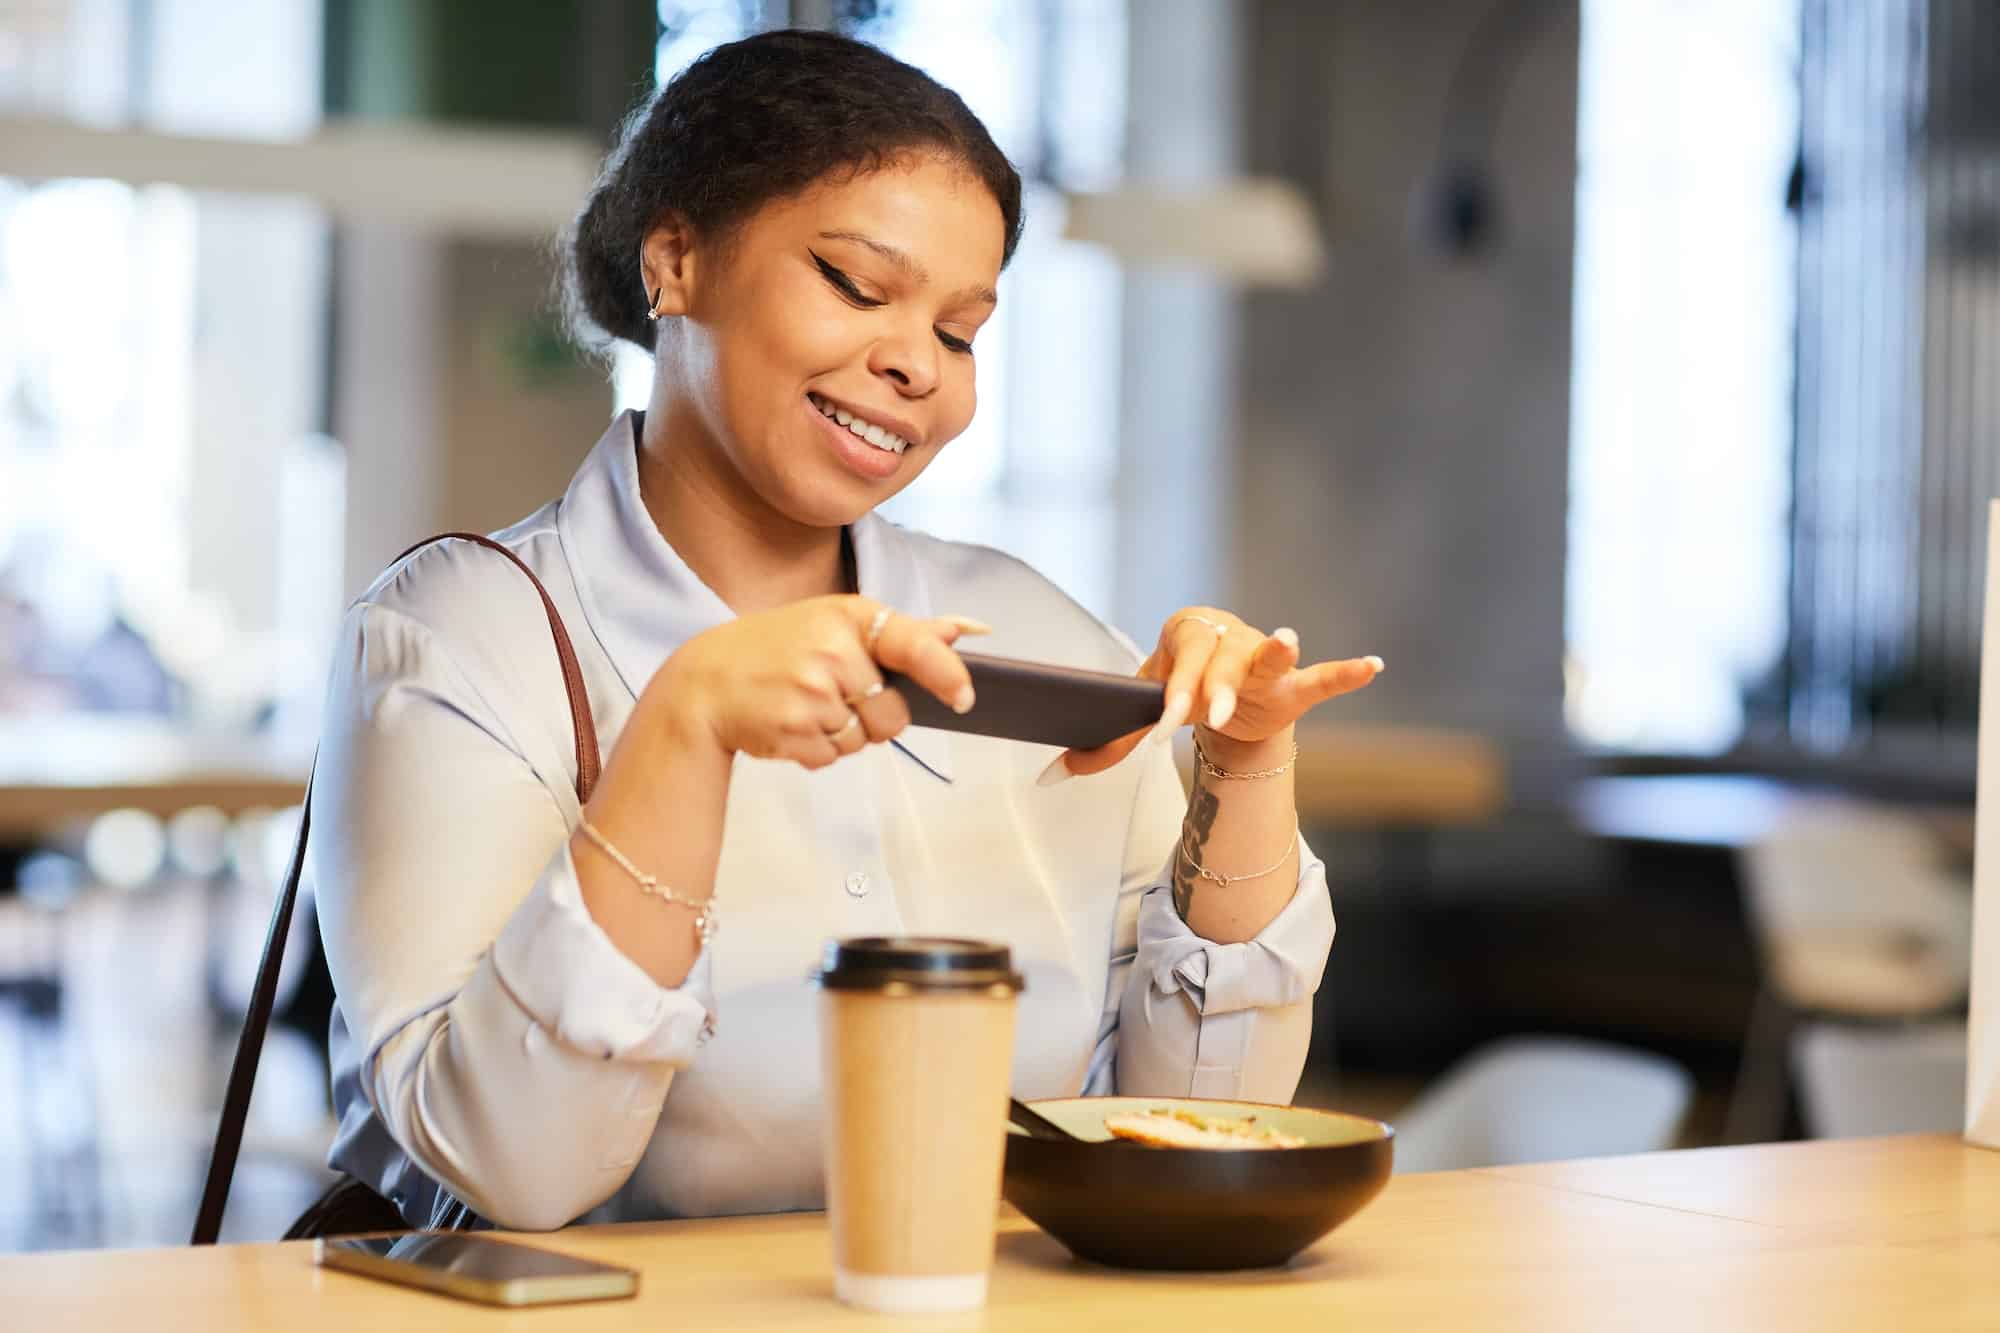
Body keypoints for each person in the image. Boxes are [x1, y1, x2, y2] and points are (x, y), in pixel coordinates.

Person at [312, 28, 1380, 1232]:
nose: (915, 365)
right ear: (675, 261)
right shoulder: (455, 637)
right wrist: (685, 725)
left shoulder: (1037, 628)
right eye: (857, 286)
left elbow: (1188, 1128)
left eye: (959, 330)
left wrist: (1239, 772)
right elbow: (517, 1170)